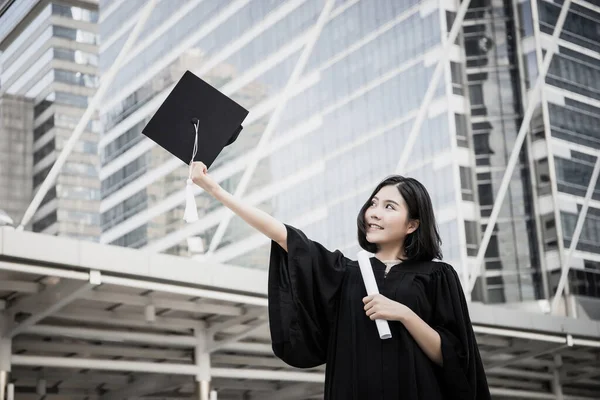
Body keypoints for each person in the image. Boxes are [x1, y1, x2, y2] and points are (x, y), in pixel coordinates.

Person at [191, 162, 491, 400]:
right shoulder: (348, 273)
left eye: (389, 207)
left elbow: (453, 358)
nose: (374, 213)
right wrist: (214, 188)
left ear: (412, 224)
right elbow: (284, 235)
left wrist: (404, 314)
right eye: (374, 203)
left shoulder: (437, 276)